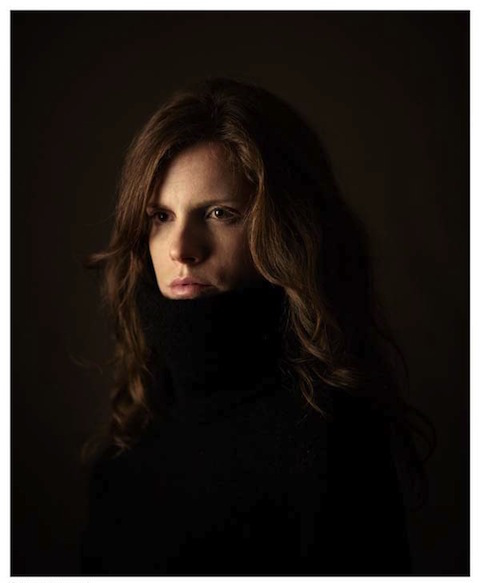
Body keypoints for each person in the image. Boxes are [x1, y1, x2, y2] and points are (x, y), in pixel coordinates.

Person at [80, 77, 434, 575]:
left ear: (284, 229)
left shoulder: (331, 437)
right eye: (160, 216)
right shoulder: (129, 436)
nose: (181, 249)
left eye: (219, 213)